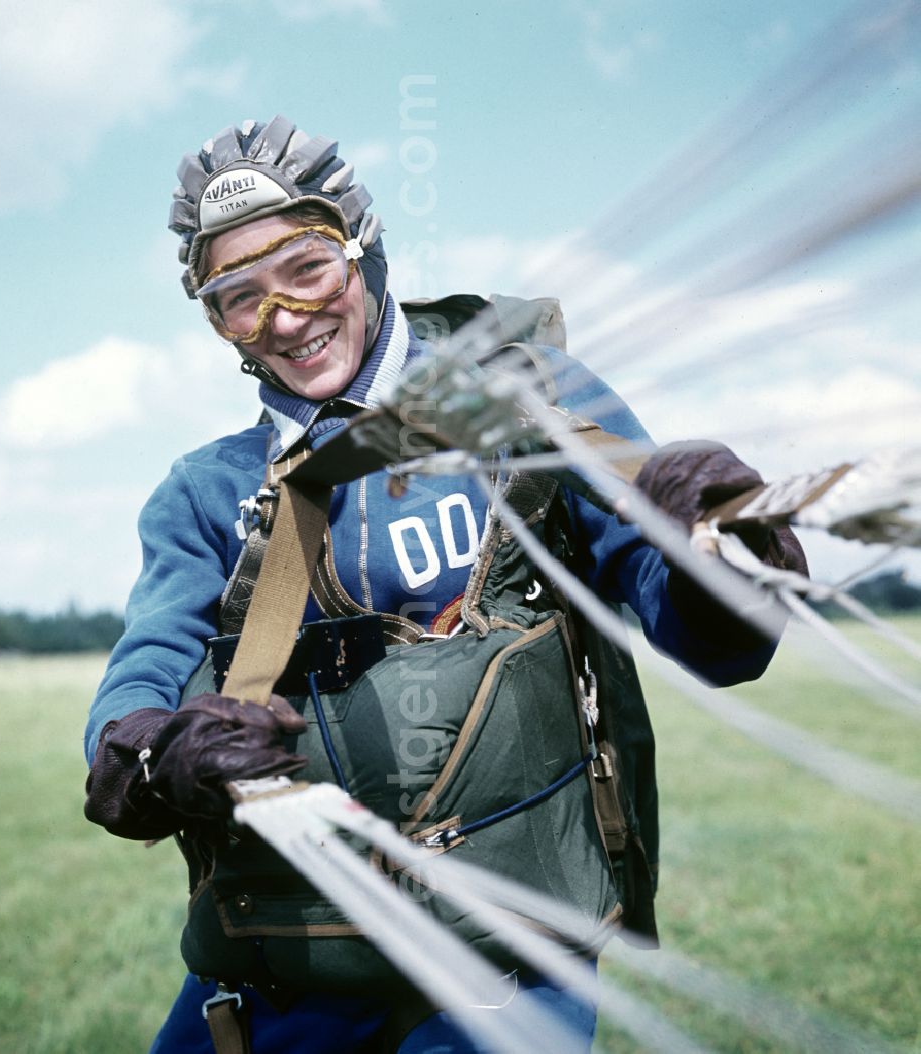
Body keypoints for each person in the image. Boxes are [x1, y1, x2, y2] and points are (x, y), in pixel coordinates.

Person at [83, 115, 806, 1053]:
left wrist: (721, 561)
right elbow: (144, 670)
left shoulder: (531, 404)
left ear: (364, 251)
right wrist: (148, 751)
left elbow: (700, 634)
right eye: (238, 299)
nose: (284, 320)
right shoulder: (207, 492)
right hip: (279, 972)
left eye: (305, 267)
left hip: (504, 975)